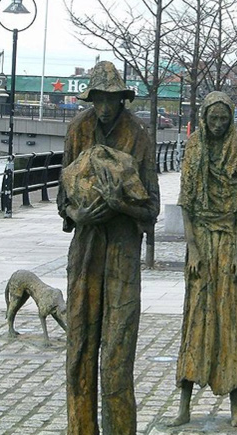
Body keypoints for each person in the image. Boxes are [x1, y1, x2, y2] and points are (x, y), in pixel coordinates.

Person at [57, 61, 160, 435]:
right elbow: (61, 199)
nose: (104, 107)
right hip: (85, 253)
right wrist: (79, 214)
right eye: (98, 99)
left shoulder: (138, 135)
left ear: (121, 99)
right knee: (79, 351)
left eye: (111, 99)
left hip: (122, 254)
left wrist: (119, 205)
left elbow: (151, 207)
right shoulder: (77, 130)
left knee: (117, 357)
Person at [171, 91, 237, 428]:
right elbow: (186, 202)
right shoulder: (195, 147)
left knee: (231, 321)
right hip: (201, 240)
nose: (218, 126)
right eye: (213, 119)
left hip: (229, 240)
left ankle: (235, 405)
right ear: (203, 118)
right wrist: (195, 249)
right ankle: (184, 404)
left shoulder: (236, 147)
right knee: (196, 319)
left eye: (224, 119)